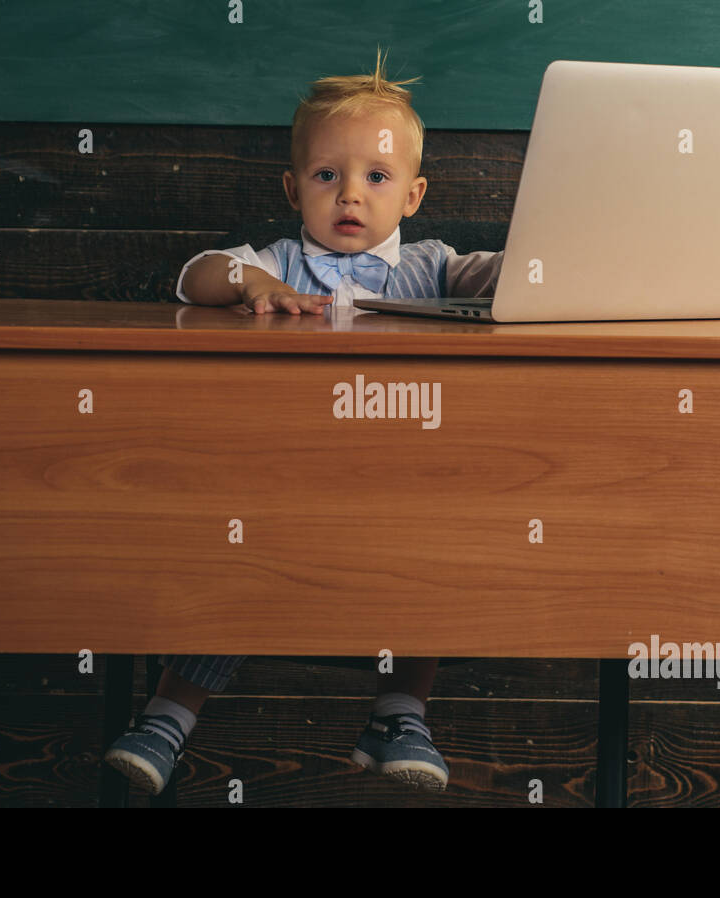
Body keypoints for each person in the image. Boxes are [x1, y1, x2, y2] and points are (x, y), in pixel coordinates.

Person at [104, 48, 503, 797]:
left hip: (396, 481)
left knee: (437, 549)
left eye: (376, 178)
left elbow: (511, 274)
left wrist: (541, 266)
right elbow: (195, 275)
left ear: (413, 195)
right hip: (283, 481)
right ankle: (169, 713)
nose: (350, 195)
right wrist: (249, 280)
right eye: (328, 176)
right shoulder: (276, 259)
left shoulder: (433, 265)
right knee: (239, 559)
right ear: (294, 187)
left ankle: (401, 710)